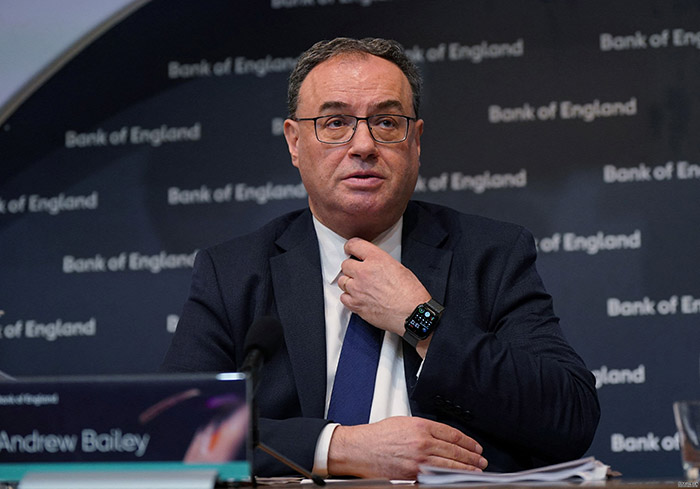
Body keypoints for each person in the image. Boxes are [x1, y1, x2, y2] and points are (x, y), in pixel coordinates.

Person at [161, 37, 600, 479]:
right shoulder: (235, 272)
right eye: (335, 123)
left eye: (387, 122)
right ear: (295, 143)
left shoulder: (490, 255)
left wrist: (420, 319)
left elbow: (570, 414)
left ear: (416, 140)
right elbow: (174, 429)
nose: (364, 145)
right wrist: (338, 447)